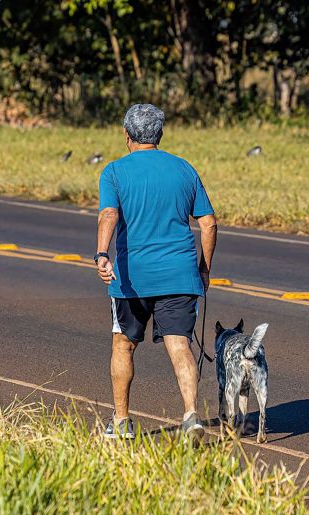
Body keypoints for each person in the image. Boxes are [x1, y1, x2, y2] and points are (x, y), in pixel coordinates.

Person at [94, 103, 217, 441]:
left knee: (123, 345)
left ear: (126, 134)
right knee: (180, 346)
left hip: (131, 279)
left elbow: (108, 216)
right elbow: (208, 223)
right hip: (179, 275)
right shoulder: (184, 169)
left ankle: (121, 423)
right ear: (159, 134)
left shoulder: (115, 172)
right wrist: (203, 269)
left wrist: (102, 254)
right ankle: (192, 415)